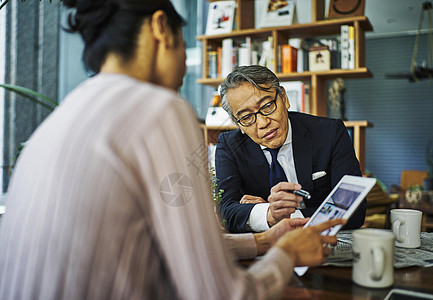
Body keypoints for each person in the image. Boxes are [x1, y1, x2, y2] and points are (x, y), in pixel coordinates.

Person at [0, 1, 342, 299]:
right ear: (162, 28)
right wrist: (285, 255)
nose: (184, 68)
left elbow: (173, 247)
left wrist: (263, 242)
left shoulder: (62, 118)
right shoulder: (159, 108)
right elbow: (220, 294)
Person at [216, 65, 365, 233]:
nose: (263, 123)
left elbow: (354, 210)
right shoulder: (229, 146)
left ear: (284, 98)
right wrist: (269, 214)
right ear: (237, 124)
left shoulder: (330, 133)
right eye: (247, 117)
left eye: (267, 106)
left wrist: (277, 216)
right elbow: (225, 212)